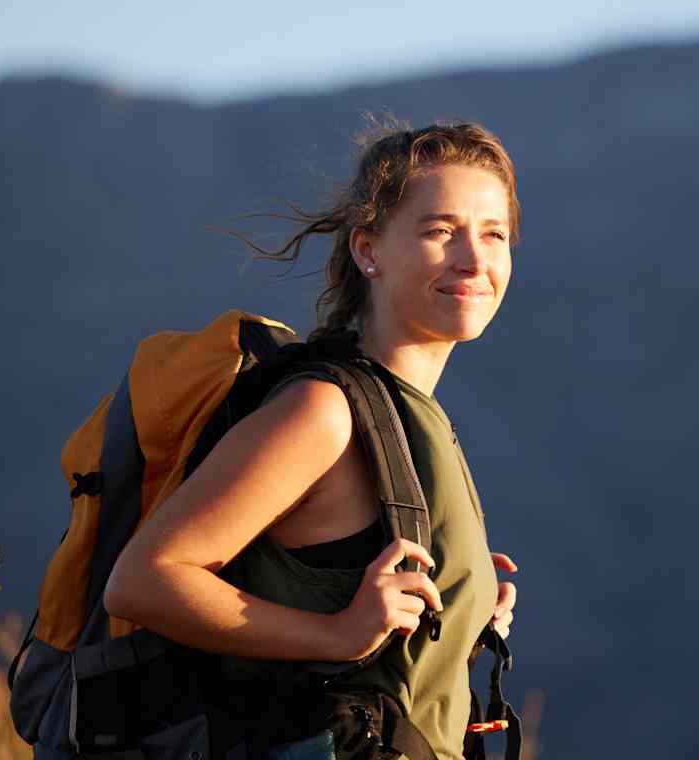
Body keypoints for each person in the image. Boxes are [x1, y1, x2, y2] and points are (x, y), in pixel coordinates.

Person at [103, 119, 522, 760]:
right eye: (441, 231)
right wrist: (336, 633)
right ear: (368, 251)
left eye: (494, 234)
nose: (474, 259)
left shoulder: (411, 415)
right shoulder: (324, 410)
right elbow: (142, 581)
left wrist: (465, 605)